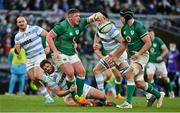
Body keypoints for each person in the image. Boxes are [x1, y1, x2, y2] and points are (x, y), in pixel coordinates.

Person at [105, 8, 165, 108]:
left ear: (127, 17)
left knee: (129, 74)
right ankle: (159, 95)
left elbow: (148, 43)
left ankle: (128, 103)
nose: (120, 19)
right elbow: (123, 45)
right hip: (134, 57)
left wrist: (139, 53)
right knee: (139, 83)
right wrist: (114, 56)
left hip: (142, 56)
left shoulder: (138, 26)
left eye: (121, 17)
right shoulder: (124, 28)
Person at [46, 8, 104, 105]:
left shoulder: (80, 23)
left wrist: (98, 14)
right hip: (59, 52)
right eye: (76, 16)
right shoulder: (62, 25)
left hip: (71, 52)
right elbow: (49, 36)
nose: (79, 18)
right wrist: (55, 50)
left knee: (82, 72)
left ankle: (80, 96)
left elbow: (91, 18)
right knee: (70, 72)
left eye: (79, 16)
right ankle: (74, 96)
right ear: (70, 17)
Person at [40, 59, 116, 106]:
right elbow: (59, 93)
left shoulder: (59, 65)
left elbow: (68, 63)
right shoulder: (49, 79)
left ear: (50, 64)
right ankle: (91, 103)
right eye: (45, 68)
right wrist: (69, 90)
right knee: (71, 103)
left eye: (47, 66)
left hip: (79, 86)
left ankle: (103, 102)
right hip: (68, 93)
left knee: (103, 96)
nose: (47, 69)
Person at [14, 16, 54, 103]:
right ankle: (48, 97)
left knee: (38, 76)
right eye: (19, 22)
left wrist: (47, 46)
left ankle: (54, 81)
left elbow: (48, 34)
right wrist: (17, 50)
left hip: (39, 55)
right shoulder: (17, 37)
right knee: (34, 80)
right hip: (29, 58)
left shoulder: (35, 28)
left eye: (22, 21)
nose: (21, 23)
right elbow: (17, 52)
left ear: (26, 21)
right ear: (17, 24)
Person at [93, 11, 128, 99]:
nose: (96, 18)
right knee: (129, 76)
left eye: (98, 16)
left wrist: (115, 56)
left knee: (97, 70)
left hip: (117, 54)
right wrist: (95, 43)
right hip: (114, 55)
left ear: (104, 18)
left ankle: (101, 96)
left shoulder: (112, 28)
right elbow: (97, 34)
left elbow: (123, 43)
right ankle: (152, 93)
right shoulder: (99, 26)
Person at [146, 29, 174, 99]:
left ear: (154, 34)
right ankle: (153, 94)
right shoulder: (146, 41)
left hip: (159, 62)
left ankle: (171, 91)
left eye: (151, 34)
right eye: (149, 34)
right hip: (151, 62)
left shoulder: (158, 40)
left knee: (165, 78)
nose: (150, 36)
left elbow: (166, 50)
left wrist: (161, 56)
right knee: (149, 77)